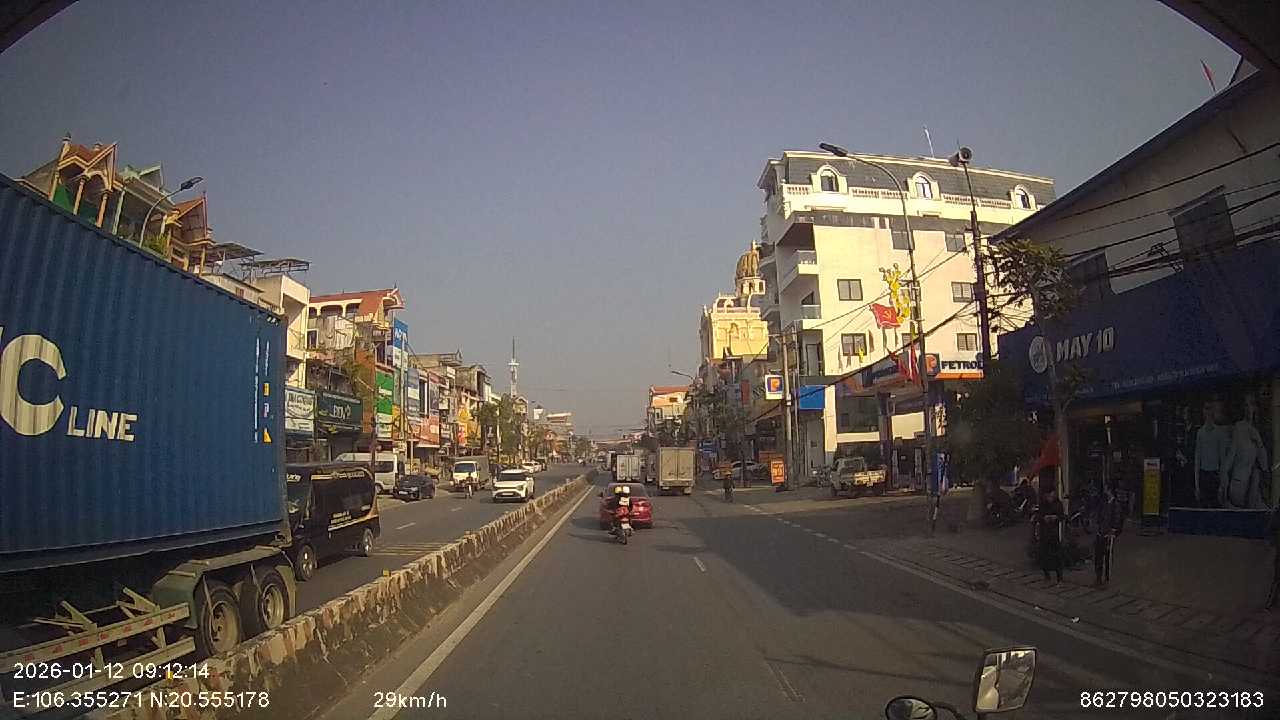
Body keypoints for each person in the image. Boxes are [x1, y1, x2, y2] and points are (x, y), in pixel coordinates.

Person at [1092, 478, 1124, 586]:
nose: (1104, 490)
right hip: (1100, 532)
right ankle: (1098, 577)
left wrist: (1114, 531)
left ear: (1109, 489)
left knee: (1107, 557)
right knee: (1098, 556)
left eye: (1106, 488)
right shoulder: (1103, 502)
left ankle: (1106, 579)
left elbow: (1118, 519)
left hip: (1109, 534)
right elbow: (1099, 515)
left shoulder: (1116, 504)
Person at [1036, 486, 1064, 583]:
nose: (1050, 498)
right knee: (1044, 555)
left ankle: (1059, 576)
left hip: (1054, 533)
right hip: (1044, 532)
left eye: (1051, 496)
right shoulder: (1043, 504)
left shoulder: (1058, 504)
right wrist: (1044, 518)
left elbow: (1062, 516)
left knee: (1056, 555)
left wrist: (1055, 517)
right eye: (1048, 496)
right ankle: (1046, 575)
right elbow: (1039, 516)